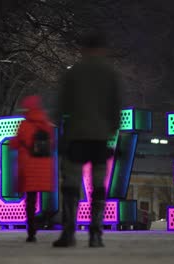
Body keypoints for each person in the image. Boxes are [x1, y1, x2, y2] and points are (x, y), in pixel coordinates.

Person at [53, 30, 121, 248]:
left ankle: (69, 232)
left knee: (71, 182)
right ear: (102, 50)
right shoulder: (111, 73)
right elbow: (116, 107)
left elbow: (62, 105)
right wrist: (111, 131)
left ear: (84, 49)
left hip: (77, 135)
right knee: (99, 183)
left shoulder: (74, 73)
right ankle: (96, 233)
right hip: (100, 137)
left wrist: (59, 130)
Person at [10, 95, 55, 242]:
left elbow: (14, 144)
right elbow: (52, 144)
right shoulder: (47, 124)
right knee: (45, 199)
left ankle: (31, 232)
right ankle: (46, 220)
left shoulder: (24, 125)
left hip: (28, 167)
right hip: (43, 168)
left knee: (30, 201)